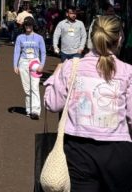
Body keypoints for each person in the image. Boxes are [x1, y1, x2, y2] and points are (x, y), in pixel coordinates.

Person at [44, 16, 132, 191]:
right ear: (119, 38)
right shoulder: (127, 71)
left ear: (91, 37)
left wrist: (55, 77)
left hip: (78, 151)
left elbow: (52, 104)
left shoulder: (71, 67)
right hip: (117, 152)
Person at [13, 17, 46, 119]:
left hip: (35, 62)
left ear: (33, 25)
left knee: (35, 87)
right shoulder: (20, 37)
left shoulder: (39, 38)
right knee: (27, 89)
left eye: (30, 24)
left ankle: (36, 111)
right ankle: (29, 109)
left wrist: (42, 65)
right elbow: (17, 52)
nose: (28, 26)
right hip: (23, 63)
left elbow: (43, 52)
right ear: (24, 26)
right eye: (26, 25)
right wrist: (15, 65)